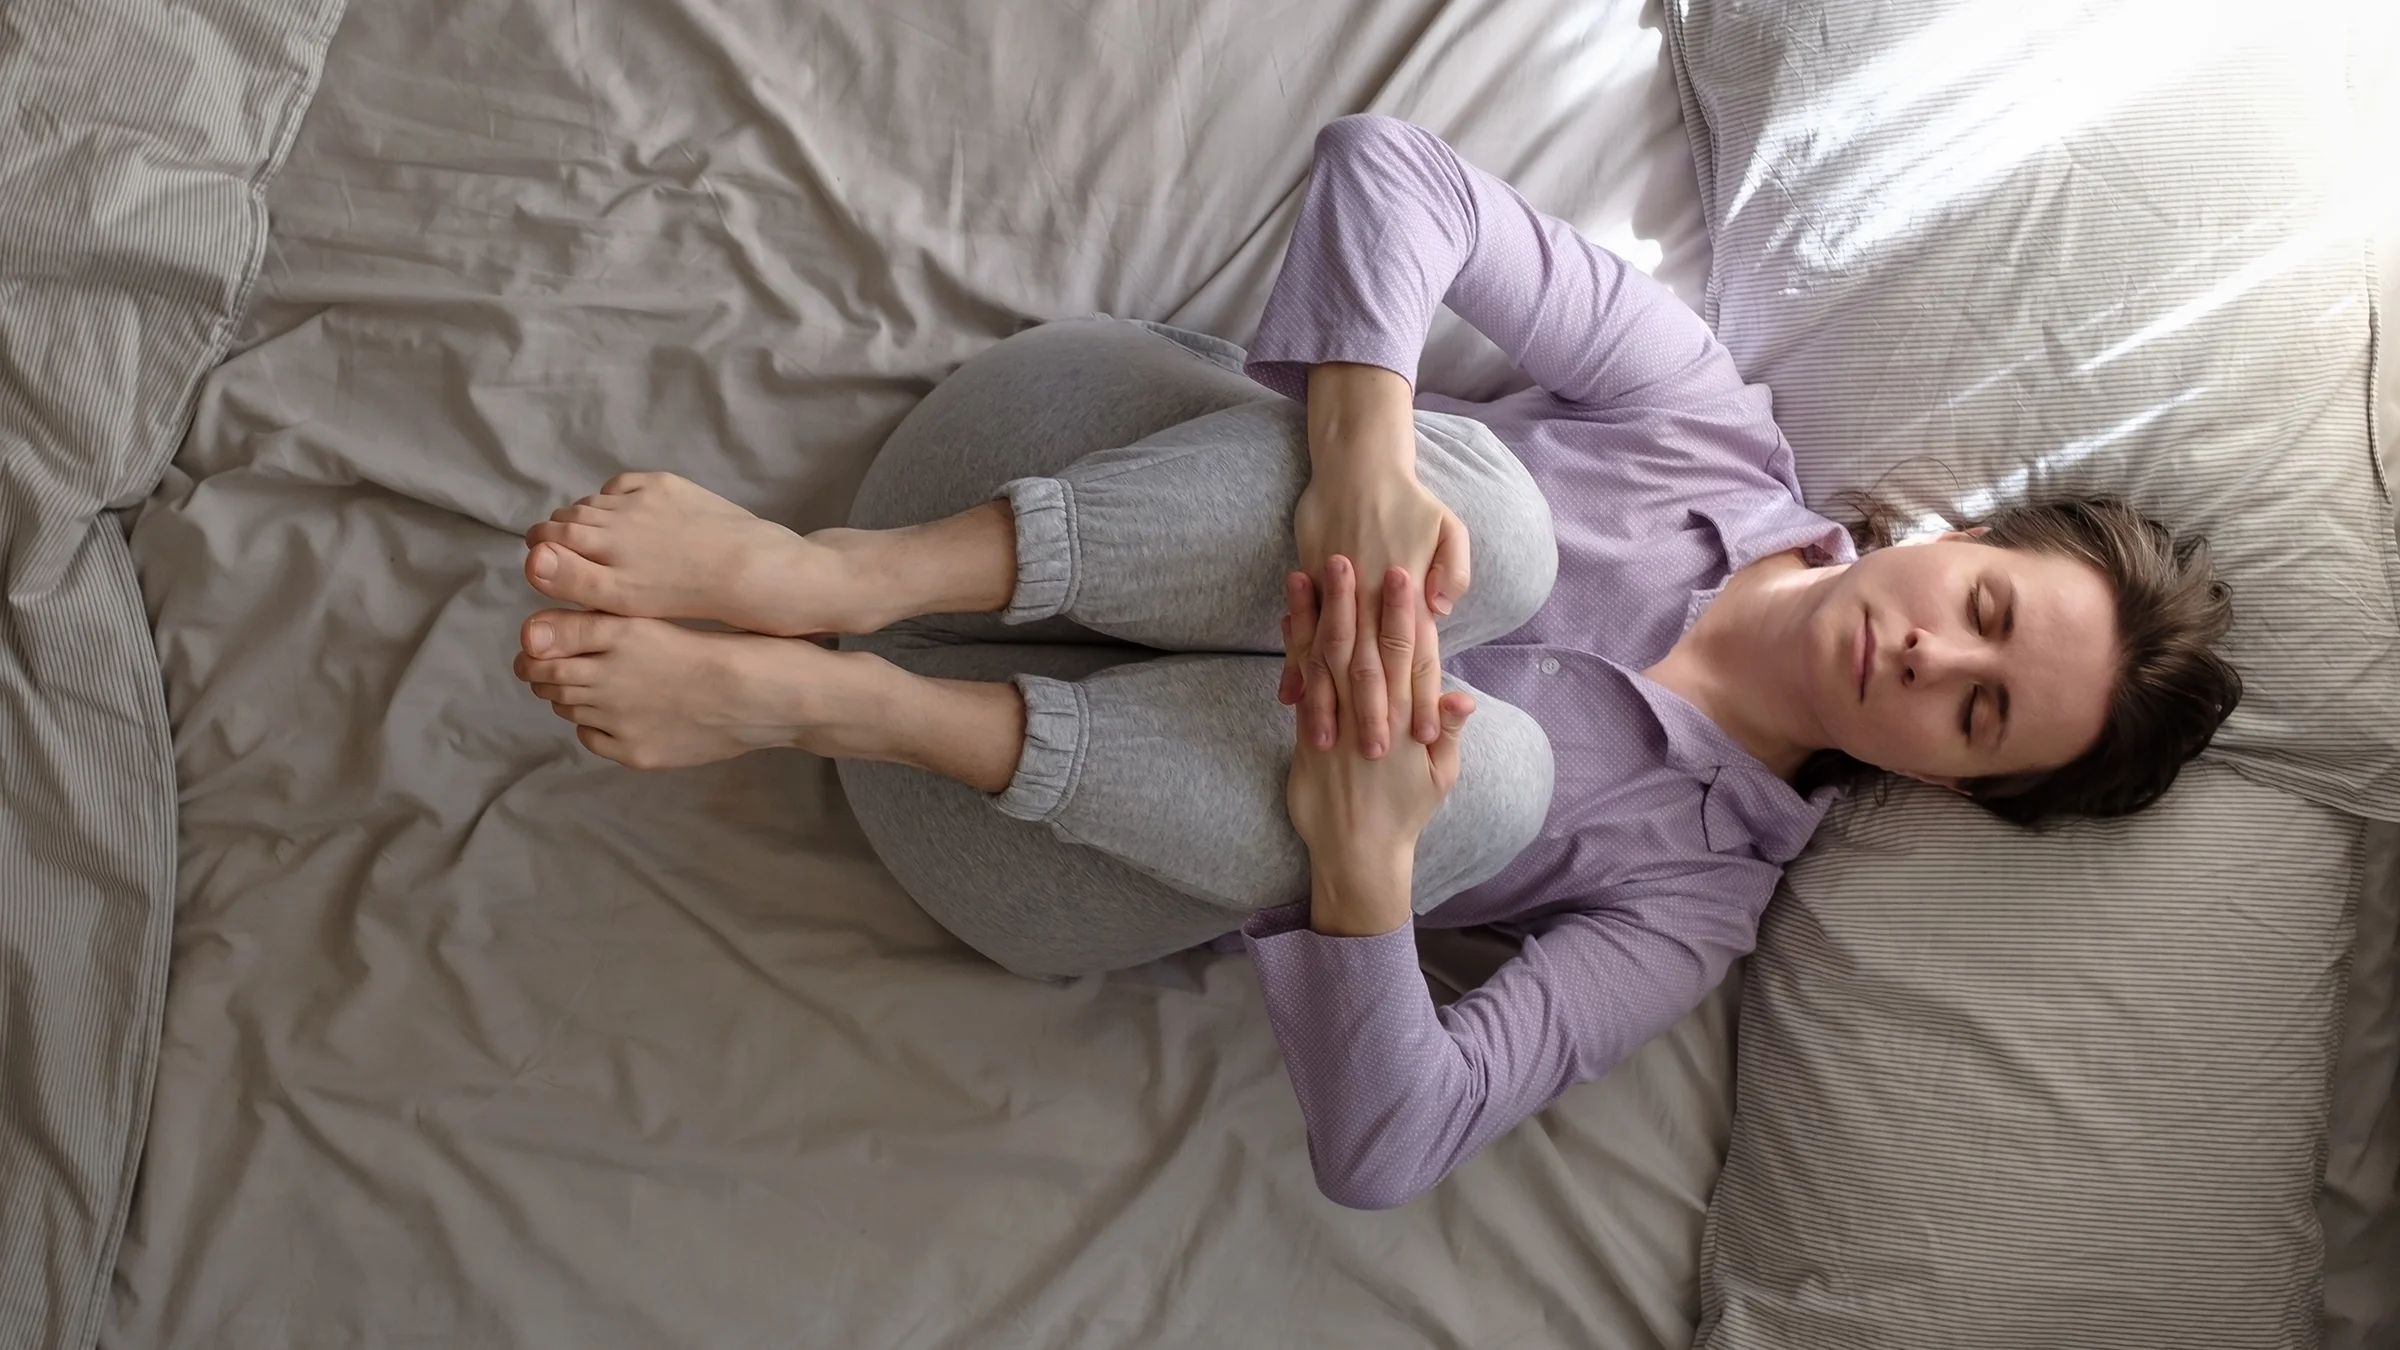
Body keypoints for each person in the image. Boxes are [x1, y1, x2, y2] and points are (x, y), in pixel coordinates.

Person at [504, 115, 2242, 1209]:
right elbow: (1391, 172)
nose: (1933, 655)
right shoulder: (1703, 422)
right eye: (1990, 610)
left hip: (995, 820)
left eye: (1980, 712)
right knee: (1493, 520)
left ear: (1952, 783)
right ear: (1958, 532)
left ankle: (835, 690)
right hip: (1019, 472)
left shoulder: (1697, 902)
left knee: (1480, 776)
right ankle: (824, 578)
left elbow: (1391, 1146)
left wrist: (1364, 862)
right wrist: (1364, 454)